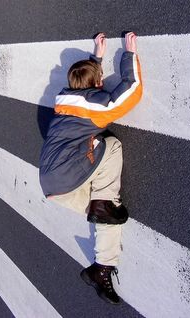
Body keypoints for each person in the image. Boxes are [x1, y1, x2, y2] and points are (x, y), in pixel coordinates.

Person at [39, 32, 143, 304]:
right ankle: (102, 265)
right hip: (68, 175)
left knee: (105, 213)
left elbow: (84, 86)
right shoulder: (96, 106)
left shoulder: (64, 100)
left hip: (53, 186)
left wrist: (96, 55)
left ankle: (102, 269)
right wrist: (129, 55)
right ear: (97, 84)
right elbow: (131, 90)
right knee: (112, 148)